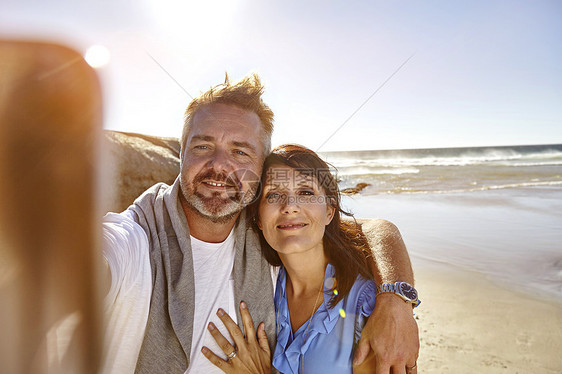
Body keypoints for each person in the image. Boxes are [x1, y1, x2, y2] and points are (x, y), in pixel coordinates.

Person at [101, 74, 419, 373]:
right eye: (203, 146)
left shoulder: (360, 304)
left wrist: (396, 298)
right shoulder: (135, 239)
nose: (220, 165)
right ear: (181, 153)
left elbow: (376, 228)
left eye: (240, 151)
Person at [202, 144, 419, 373]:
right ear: (257, 218)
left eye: (306, 192)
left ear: (329, 212)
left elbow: (379, 228)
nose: (290, 207)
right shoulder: (266, 288)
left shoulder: (368, 307)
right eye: (274, 194)